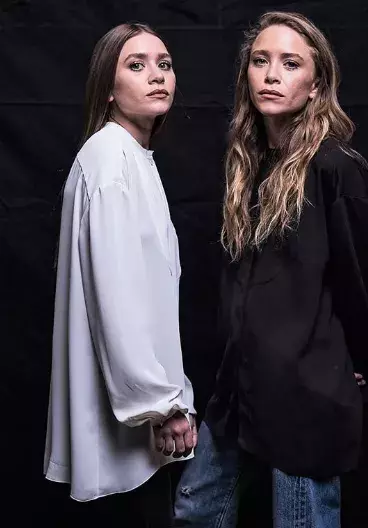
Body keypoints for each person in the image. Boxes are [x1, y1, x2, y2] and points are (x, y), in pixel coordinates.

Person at [174, 11, 368, 528]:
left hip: (304, 391)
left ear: (316, 85)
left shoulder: (336, 167)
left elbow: (361, 280)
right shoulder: (247, 164)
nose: (271, 75)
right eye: (260, 61)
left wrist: (357, 362)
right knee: (196, 511)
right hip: (239, 384)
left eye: (290, 64)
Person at [44, 22, 197, 525]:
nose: (157, 75)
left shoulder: (131, 157)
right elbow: (117, 299)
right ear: (108, 88)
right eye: (136, 65)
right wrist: (162, 406)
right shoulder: (110, 159)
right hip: (131, 420)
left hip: (140, 415)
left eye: (164, 64)